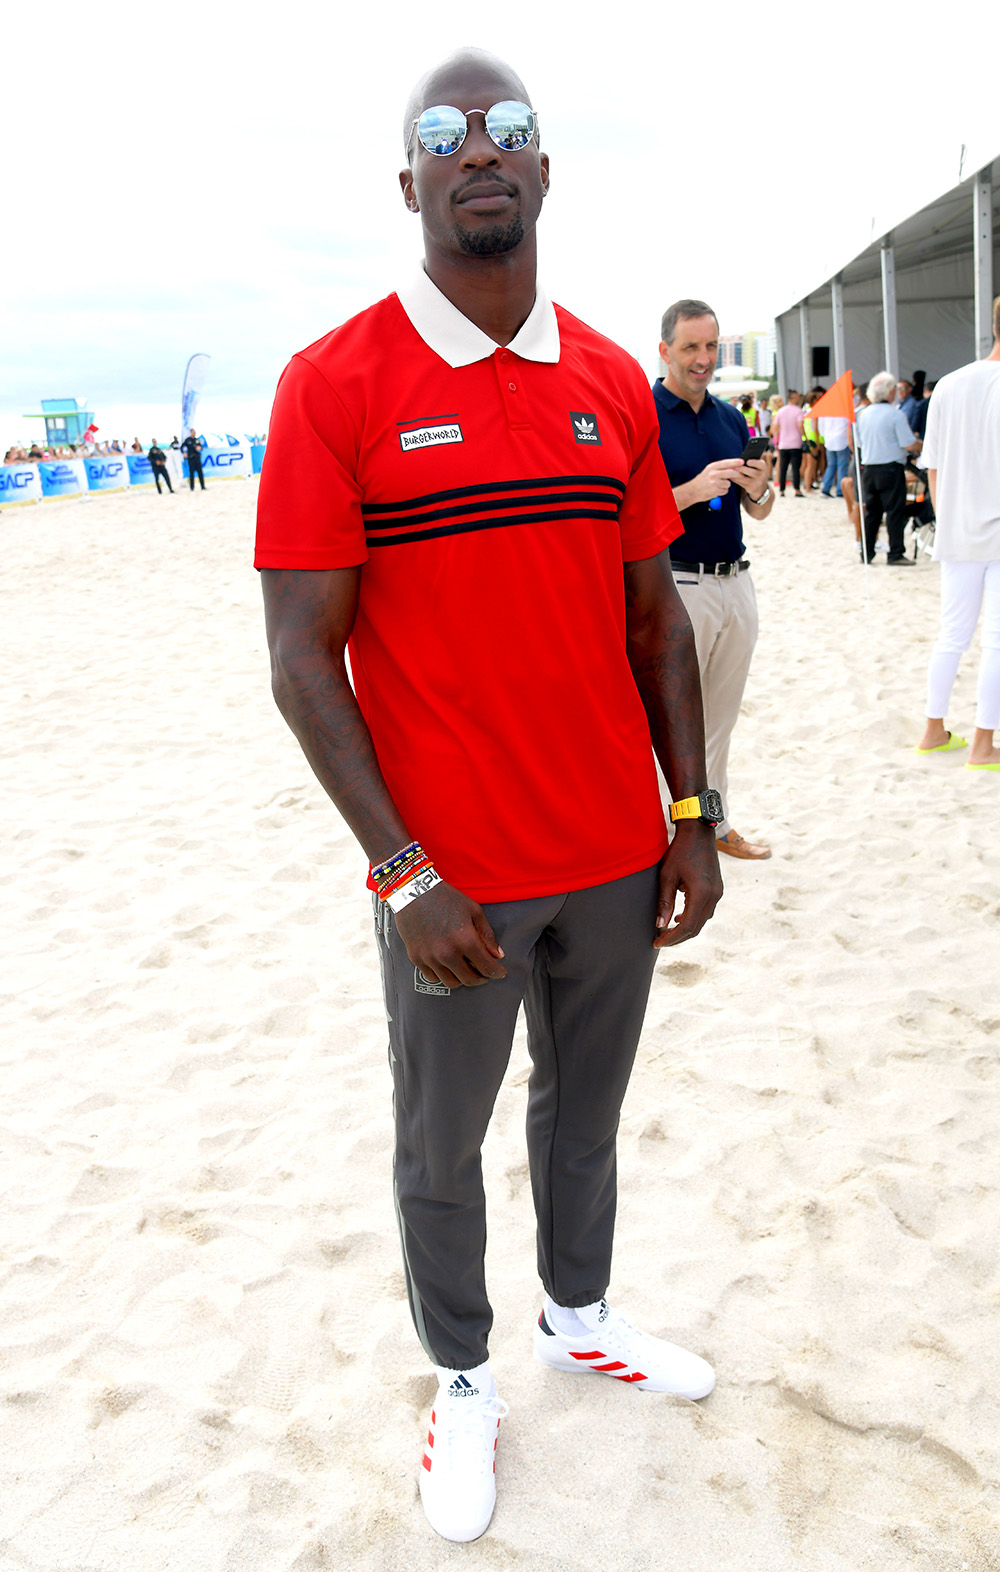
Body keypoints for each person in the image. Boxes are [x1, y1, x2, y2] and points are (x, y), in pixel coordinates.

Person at [255, 49, 723, 1545]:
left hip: (610, 854)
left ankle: (577, 1315)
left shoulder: (605, 381)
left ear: (542, 173)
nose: (479, 153)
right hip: (451, 880)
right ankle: (462, 1379)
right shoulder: (335, 384)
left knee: (584, 1120)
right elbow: (300, 661)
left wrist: (693, 817)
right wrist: (401, 870)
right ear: (409, 184)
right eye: (445, 137)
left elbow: (655, 622)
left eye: (508, 133)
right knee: (438, 1144)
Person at [653, 299, 775, 861]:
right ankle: (661, 833)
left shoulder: (731, 418)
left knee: (722, 716)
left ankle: (714, 824)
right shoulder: (644, 415)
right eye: (691, 348)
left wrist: (758, 486)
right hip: (677, 584)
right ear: (665, 351)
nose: (703, 359)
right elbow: (626, 512)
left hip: (736, 583)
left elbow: (762, 511)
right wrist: (691, 492)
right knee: (673, 718)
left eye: (711, 346)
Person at [915, 296, 1000, 769]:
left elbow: (934, 467)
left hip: (957, 529)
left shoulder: (949, 385)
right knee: (997, 641)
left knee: (951, 635)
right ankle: (984, 743)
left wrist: (949, 517)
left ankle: (933, 730)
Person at [856, 371, 921, 564]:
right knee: (894, 511)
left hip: (869, 468)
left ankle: (866, 553)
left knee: (872, 513)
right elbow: (908, 443)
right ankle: (895, 553)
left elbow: (859, 442)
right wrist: (921, 445)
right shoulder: (895, 414)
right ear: (889, 392)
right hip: (890, 469)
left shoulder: (863, 414)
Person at [772, 391, 806, 496]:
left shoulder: (781, 411)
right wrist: (805, 437)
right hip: (795, 443)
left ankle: (782, 490)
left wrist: (777, 441)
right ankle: (797, 489)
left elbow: (775, 427)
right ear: (794, 398)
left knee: (783, 468)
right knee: (796, 468)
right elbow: (800, 425)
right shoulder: (799, 411)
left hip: (783, 443)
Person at [819, 410, 853, 497]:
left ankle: (826, 488)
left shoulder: (825, 411)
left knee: (831, 465)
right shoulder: (844, 410)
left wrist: (826, 436)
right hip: (842, 440)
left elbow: (821, 428)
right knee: (842, 466)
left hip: (829, 440)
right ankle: (840, 491)